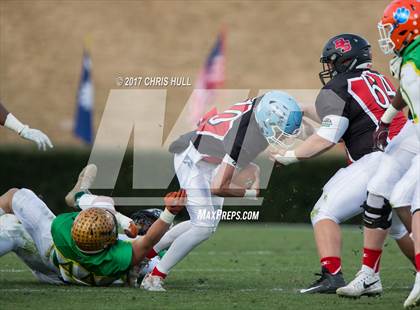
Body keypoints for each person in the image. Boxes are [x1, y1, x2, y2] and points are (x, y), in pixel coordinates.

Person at [272, 33, 413, 294]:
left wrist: (290, 156)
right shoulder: (377, 78)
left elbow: (328, 136)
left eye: (332, 61)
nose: (329, 68)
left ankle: (332, 275)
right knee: (396, 227)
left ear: (344, 59)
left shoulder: (338, 86)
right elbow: (349, 115)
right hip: (405, 155)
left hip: (376, 158)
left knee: (324, 212)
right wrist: (304, 110)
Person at [140, 90, 303, 291]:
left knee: (205, 224)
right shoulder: (243, 137)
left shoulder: (263, 104)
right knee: (203, 226)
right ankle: (154, 276)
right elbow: (218, 187)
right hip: (193, 158)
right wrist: (250, 194)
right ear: (267, 122)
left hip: (209, 157)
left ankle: (144, 254)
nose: (281, 136)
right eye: (280, 131)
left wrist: (256, 169)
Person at [336, 1, 419, 304]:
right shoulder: (406, 56)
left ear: (408, 26)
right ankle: (369, 275)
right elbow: (405, 90)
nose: (387, 36)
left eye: (391, 28)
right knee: (380, 186)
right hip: (414, 127)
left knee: (405, 196)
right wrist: (385, 119)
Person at [0, 164, 186, 286]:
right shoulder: (114, 258)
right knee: (13, 224)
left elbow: (149, 242)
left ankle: (80, 196)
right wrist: (170, 214)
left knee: (13, 215)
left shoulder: (61, 228)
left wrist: (122, 220)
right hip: (57, 277)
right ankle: (81, 197)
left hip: (51, 252)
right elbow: (150, 242)